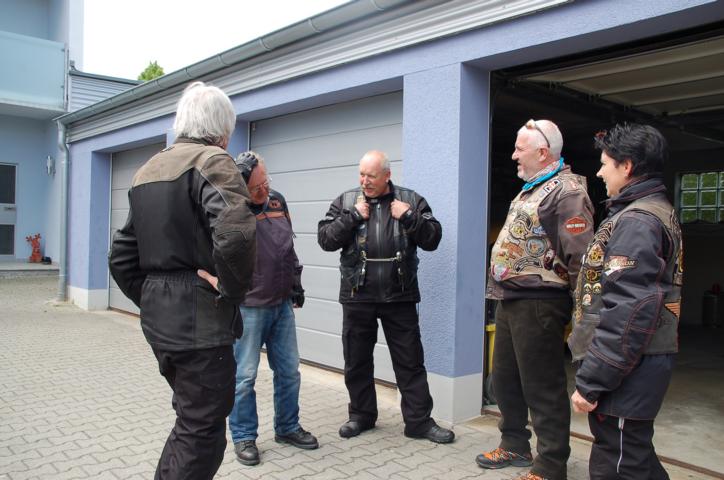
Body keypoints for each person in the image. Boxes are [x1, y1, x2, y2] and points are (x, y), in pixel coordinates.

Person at [109, 81, 256, 480]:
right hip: (200, 326)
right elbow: (236, 235)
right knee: (203, 434)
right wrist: (230, 290)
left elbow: (121, 255)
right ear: (222, 129)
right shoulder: (214, 161)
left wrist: (155, 298)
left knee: (191, 422)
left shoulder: (148, 169)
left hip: (161, 324)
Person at [478, 120, 594, 480]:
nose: (513, 155)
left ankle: (550, 465)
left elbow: (581, 259)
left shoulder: (568, 192)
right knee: (505, 380)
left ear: (543, 153)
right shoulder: (532, 188)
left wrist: (581, 313)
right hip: (512, 299)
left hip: (541, 303)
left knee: (542, 386)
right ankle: (514, 444)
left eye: (519, 148)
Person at [568, 124, 682, 480]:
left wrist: (592, 380)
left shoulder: (637, 222)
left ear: (627, 166)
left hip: (628, 368)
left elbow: (629, 310)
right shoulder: (649, 211)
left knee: (618, 464)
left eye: (605, 164)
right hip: (637, 364)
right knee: (635, 455)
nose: (600, 173)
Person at [317, 150, 454, 444]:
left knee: (410, 362)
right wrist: (353, 216)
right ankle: (361, 416)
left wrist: (409, 216)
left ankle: (418, 422)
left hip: (399, 295)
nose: (364, 181)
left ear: (387, 176)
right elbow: (325, 239)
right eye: (361, 174)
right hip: (357, 294)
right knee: (357, 361)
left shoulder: (411, 200)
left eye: (371, 176)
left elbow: (433, 238)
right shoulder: (346, 201)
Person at [228, 151, 318, 466]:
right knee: (244, 377)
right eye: (256, 188)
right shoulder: (232, 209)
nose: (264, 191)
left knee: (290, 371)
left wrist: (296, 284)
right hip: (249, 307)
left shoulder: (278, 201)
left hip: (281, 304)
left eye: (266, 182)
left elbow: (287, 247)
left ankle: (288, 427)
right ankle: (243, 436)